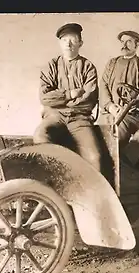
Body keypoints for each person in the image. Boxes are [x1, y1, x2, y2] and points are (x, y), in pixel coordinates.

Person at [33, 23, 102, 172]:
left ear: (80, 43)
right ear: (60, 43)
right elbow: (45, 98)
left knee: (94, 157)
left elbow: (88, 101)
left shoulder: (88, 67)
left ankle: (92, 194)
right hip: (54, 117)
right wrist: (69, 95)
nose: (68, 44)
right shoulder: (51, 66)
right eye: (64, 40)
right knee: (40, 136)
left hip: (79, 120)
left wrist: (59, 101)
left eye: (73, 40)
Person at [100, 30, 139, 148]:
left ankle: (118, 162)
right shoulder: (112, 64)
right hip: (109, 113)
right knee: (97, 136)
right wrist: (110, 106)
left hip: (131, 115)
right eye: (122, 41)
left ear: (137, 44)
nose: (124, 45)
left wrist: (126, 109)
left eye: (128, 42)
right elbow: (103, 86)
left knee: (118, 135)